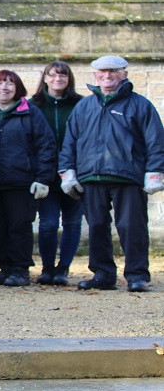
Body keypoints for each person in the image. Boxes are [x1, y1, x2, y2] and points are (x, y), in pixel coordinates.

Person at [59, 55, 164, 293]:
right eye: (103, 72)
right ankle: (103, 274)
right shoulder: (84, 106)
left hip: (128, 176)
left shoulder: (140, 104)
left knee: (132, 227)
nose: (108, 76)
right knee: (96, 226)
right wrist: (67, 172)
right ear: (95, 75)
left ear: (124, 74)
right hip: (90, 177)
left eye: (113, 72)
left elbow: (155, 141)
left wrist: (155, 172)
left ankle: (137, 275)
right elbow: (70, 142)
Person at [0, 70, 56, 287]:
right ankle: (5, 267)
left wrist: (43, 178)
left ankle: (20, 268)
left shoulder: (30, 112)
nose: (4, 88)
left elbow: (46, 146)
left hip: (21, 181)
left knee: (19, 225)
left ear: (17, 88)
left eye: (9, 84)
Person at [29, 61, 84, 286]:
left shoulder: (80, 104)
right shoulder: (33, 105)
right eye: (52, 75)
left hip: (75, 173)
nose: (57, 80)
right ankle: (47, 267)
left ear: (69, 79)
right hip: (45, 174)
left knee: (72, 222)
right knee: (48, 223)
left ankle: (63, 268)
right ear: (45, 78)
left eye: (62, 76)